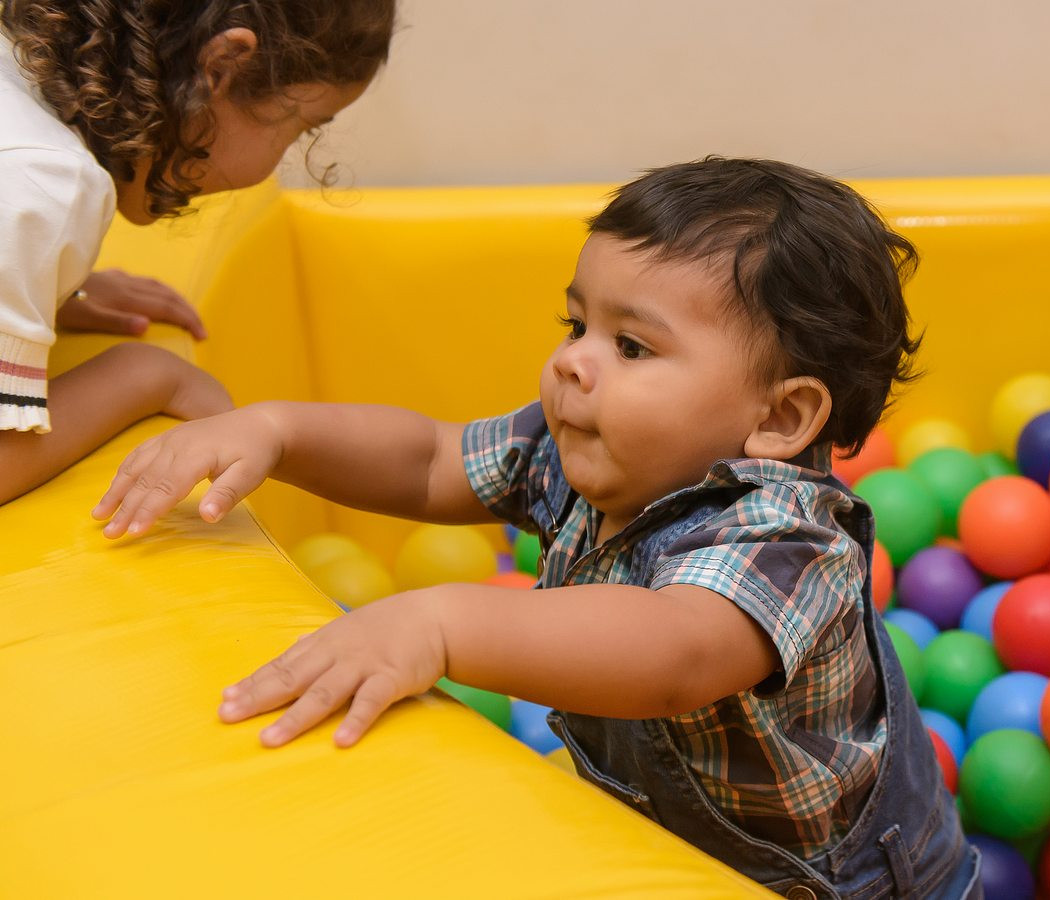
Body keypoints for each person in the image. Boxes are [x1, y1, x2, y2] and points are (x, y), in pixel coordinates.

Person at [93, 157, 980, 898]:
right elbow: (429, 459)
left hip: (844, 885)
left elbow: (673, 652)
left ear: (780, 419)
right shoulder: (591, 449)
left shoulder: (790, 541)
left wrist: (439, 623)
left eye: (631, 347)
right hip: (663, 853)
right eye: (576, 323)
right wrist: (277, 431)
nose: (572, 362)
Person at [0, 0, 396, 504]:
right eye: (304, 126)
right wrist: (144, 376)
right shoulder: (43, 179)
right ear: (220, 69)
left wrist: (47, 281)